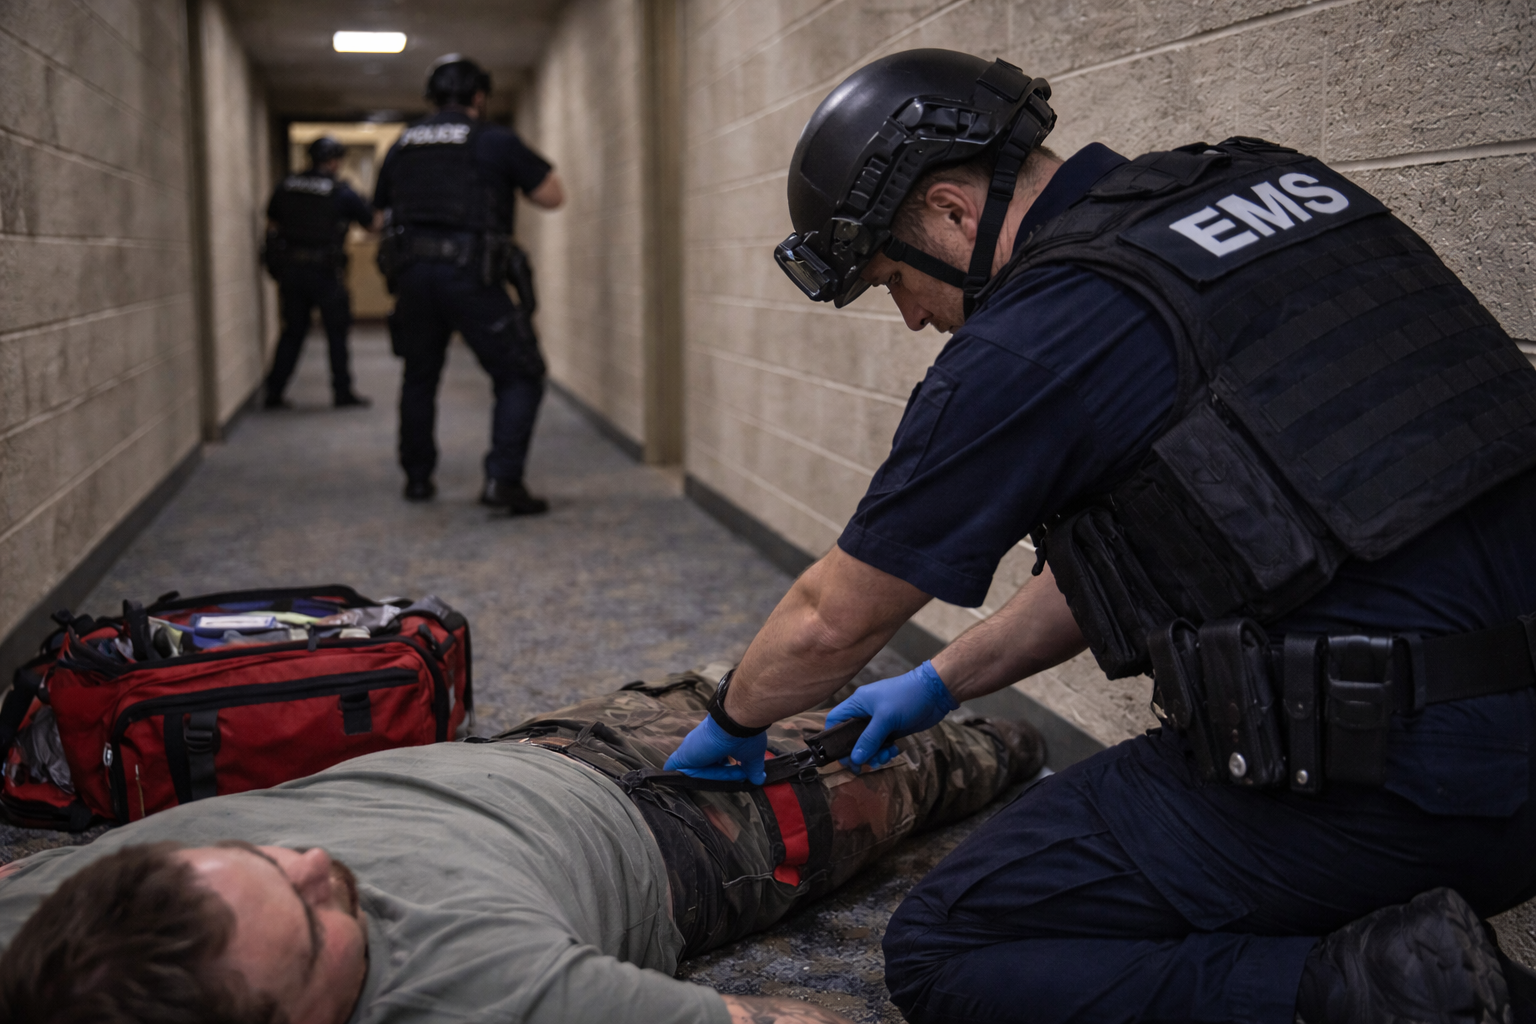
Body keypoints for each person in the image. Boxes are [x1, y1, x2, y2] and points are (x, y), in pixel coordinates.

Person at [664, 47, 1536, 1024]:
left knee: (946, 947)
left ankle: (1392, 992)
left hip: (1405, 789)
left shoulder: (1033, 336)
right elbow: (1221, 532)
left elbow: (831, 619)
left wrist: (736, 719)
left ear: (952, 212)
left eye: (892, 279)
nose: (910, 317)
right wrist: (942, 680)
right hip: (1490, 738)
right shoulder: (1272, 182)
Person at [0, 670, 1044, 1024]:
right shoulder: (484, 992)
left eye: (271, 854)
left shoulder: (51, 937)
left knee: (776, 674)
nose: (317, 863)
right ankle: (1017, 744)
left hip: (531, 748)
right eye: (314, 922)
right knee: (932, 755)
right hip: (688, 839)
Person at [373, 54, 565, 513]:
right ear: (479, 97)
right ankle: (503, 480)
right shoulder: (493, 139)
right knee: (520, 373)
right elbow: (552, 196)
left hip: (412, 276)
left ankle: (418, 479)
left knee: (419, 375)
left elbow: (379, 218)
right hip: (470, 274)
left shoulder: (403, 143)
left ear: (432, 98)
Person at [262, 136, 377, 410]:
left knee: (292, 332)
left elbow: (272, 223)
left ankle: (274, 392)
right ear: (335, 161)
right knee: (336, 333)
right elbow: (371, 223)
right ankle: (342, 392)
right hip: (326, 272)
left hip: (292, 271)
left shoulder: (286, 186)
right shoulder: (340, 191)